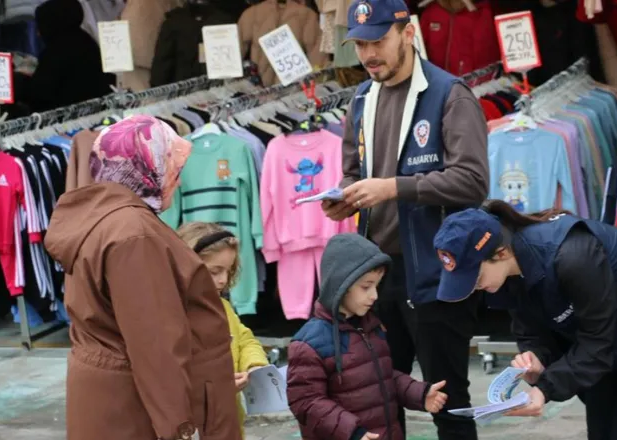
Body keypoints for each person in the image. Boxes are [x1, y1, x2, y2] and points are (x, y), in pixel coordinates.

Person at [321, 1, 490, 438]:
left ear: (409, 33)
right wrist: (346, 196)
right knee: (376, 394)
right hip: (378, 275)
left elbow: (472, 182)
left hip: (438, 270)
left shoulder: (450, 94)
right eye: (360, 44)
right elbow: (355, 172)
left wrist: (395, 186)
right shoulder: (360, 99)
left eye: (378, 40)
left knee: (447, 398)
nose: (368, 53)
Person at [432, 200, 617, 440]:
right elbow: (532, 329)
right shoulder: (509, 271)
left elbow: (597, 342)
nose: (473, 288)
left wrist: (545, 389)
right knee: (601, 429)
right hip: (612, 336)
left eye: (475, 277)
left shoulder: (572, 255)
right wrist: (535, 358)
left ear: (499, 253)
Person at [44, 115, 242, 440]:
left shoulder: (105, 219)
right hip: (133, 410)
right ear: (147, 167)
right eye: (173, 168)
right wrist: (180, 428)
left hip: (112, 400)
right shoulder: (134, 235)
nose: (178, 180)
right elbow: (155, 344)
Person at [286, 233, 449, 440]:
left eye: (376, 285)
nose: (374, 295)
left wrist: (419, 393)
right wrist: (353, 432)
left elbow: (384, 377)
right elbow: (306, 402)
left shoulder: (372, 326)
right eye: (366, 287)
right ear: (340, 285)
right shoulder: (308, 343)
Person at [176, 221, 269, 436]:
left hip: (229, 422)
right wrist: (218, 384)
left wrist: (254, 365)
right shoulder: (173, 316)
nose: (223, 280)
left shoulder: (223, 307)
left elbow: (245, 339)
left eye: (228, 271)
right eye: (214, 271)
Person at [25, 0, 114, 112]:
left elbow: (40, 94)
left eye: (40, 26)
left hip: (67, 118)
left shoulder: (56, 52)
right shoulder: (86, 41)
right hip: (95, 111)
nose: (38, 33)